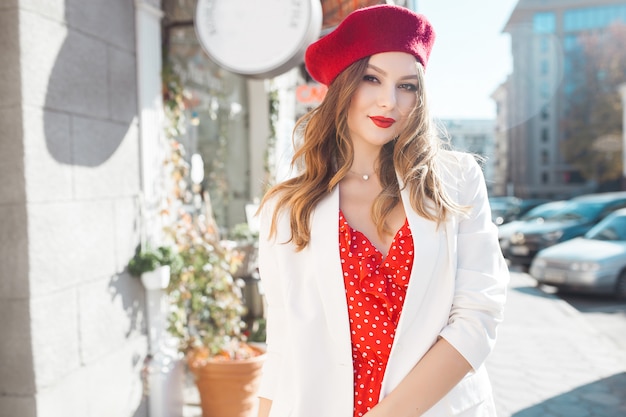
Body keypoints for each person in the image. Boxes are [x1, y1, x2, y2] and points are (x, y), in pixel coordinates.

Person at [255, 4, 509, 417]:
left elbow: (479, 314)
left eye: (407, 86)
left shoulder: (456, 180)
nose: (388, 101)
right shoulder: (288, 207)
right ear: (342, 85)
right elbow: (283, 343)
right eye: (372, 78)